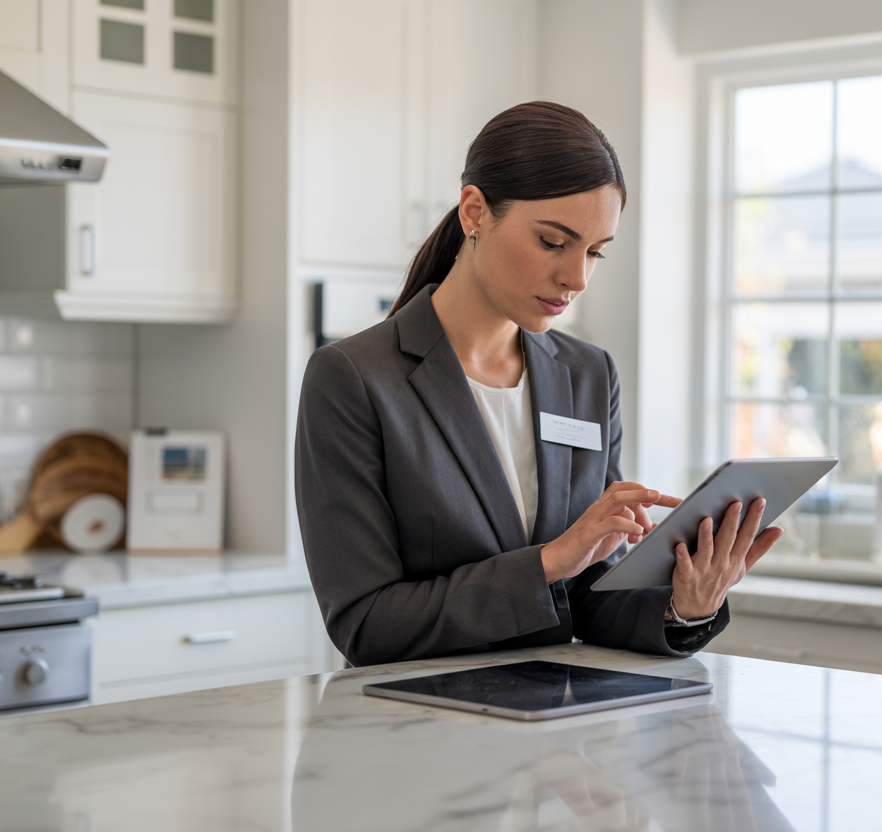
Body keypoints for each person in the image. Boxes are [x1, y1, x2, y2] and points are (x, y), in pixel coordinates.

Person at [295, 101, 782, 667]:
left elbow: (587, 596)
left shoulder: (589, 376)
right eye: (554, 242)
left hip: (552, 733)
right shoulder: (353, 380)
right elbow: (366, 625)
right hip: (418, 731)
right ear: (475, 211)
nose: (576, 277)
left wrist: (686, 604)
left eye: (595, 252)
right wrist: (548, 561)